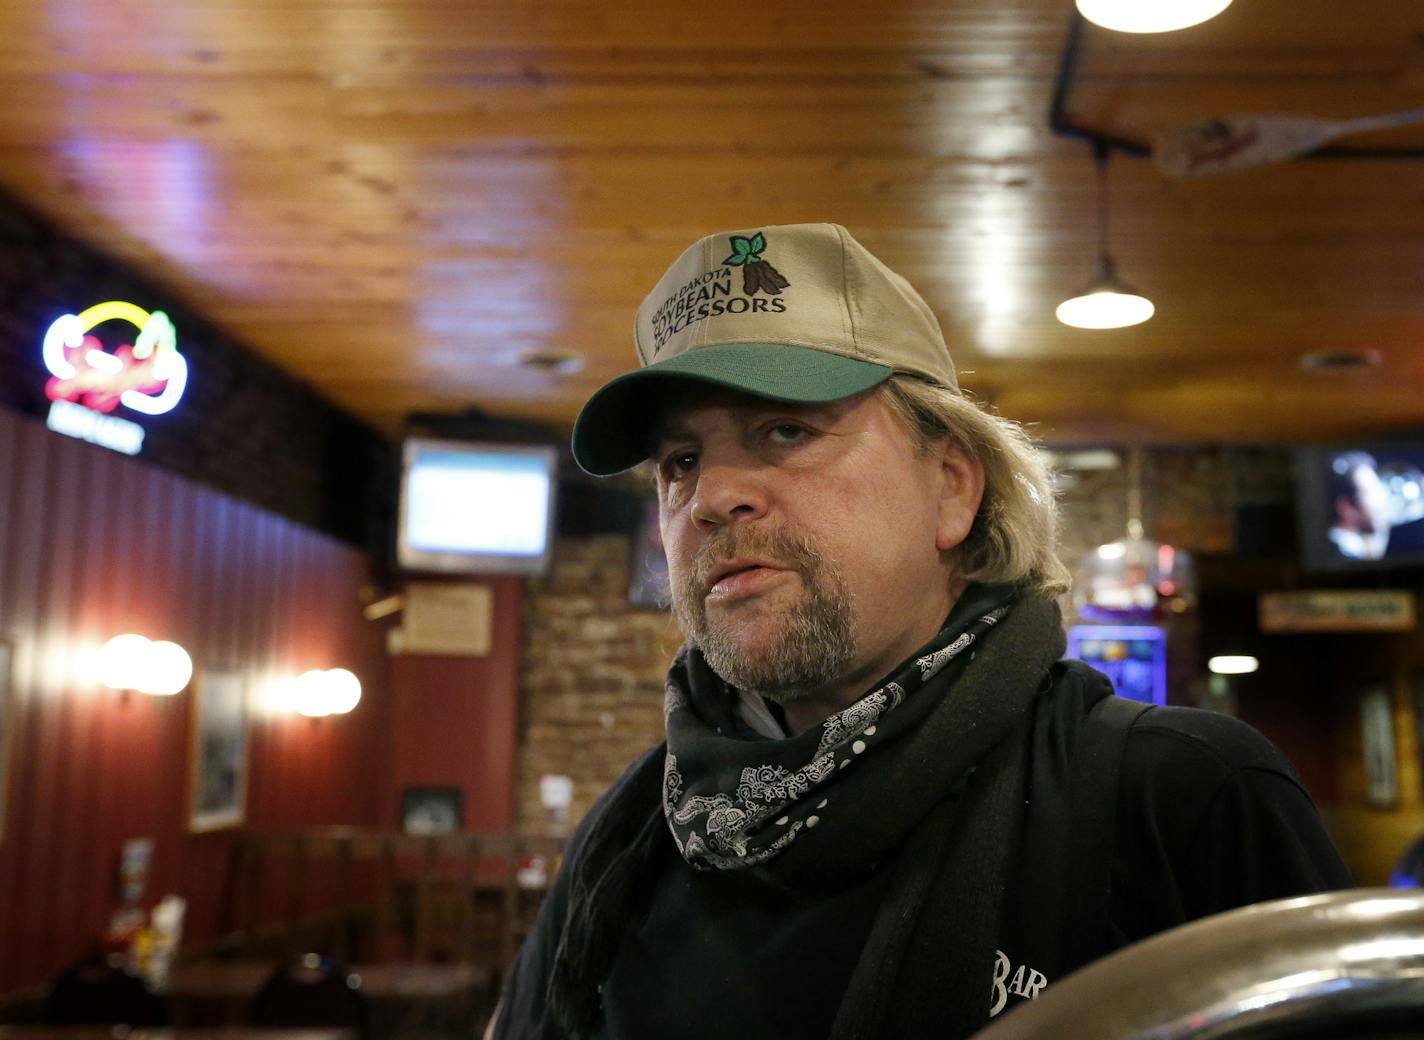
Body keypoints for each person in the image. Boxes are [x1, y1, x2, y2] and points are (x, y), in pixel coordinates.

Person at [487, 223, 1352, 1039]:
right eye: (681, 462)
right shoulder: (628, 839)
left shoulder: (1184, 800)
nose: (711, 497)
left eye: (784, 429)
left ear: (952, 488)